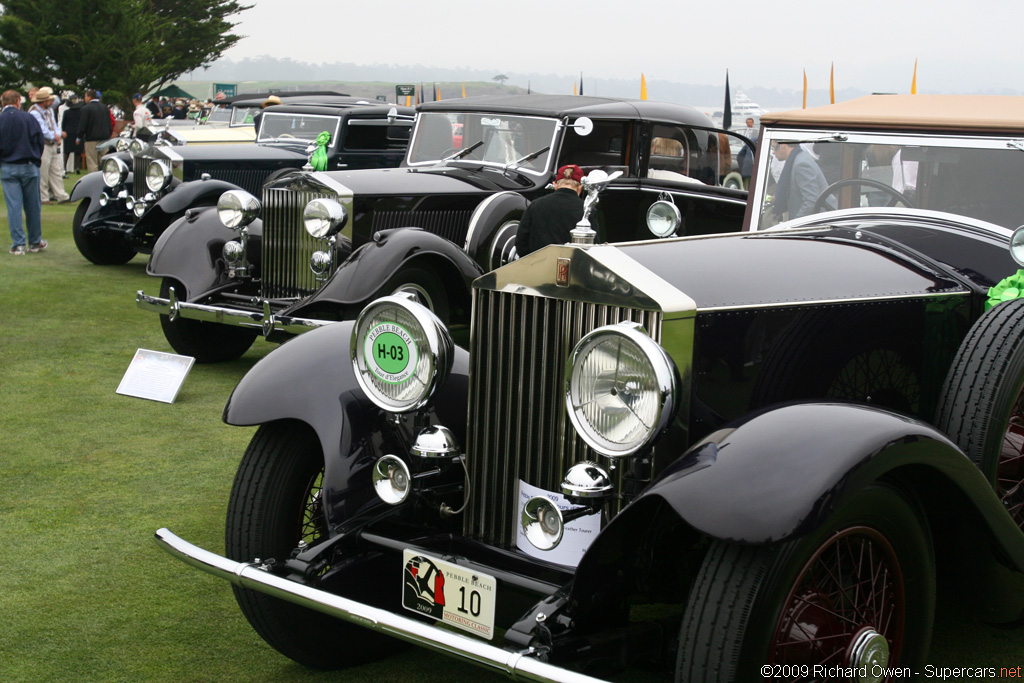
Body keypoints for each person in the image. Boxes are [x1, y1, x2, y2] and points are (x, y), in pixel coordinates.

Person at [0, 90, 46, 254]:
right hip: (28, 165)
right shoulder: (29, 118)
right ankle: (34, 242)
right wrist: (35, 159)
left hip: (7, 166)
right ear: (18, 101)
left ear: (3, 103)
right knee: (33, 205)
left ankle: (18, 244)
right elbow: (40, 141)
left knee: (14, 206)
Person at [514, 164, 585, 257]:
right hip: (572, 267)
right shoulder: (586, 209)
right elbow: (594, 246)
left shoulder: (536, 205)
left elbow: (521, 242)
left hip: (539, 265)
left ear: (555, 185)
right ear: (580, 187)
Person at [772, 142, 834, 220]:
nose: (773, 152)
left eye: (774, 148)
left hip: (820, 221)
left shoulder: (801, 164)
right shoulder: (798, 158)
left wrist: (793, 225)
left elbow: (811, 201)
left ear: (783, 146)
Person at [28, 87, 69, 204]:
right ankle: (43, 197)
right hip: (42, 145)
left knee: (56, 170)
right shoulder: (34, 113)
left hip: (52, 144)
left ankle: (61, 195)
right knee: (43, 172)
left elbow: (54, 125)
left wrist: (58, 135)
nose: (52, 102)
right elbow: (43, 130)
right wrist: (56, 136)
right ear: (44, 101)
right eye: (49, 100)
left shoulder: (49, 111)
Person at [77, 89, 111, 172]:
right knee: (104, 161)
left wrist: (79, 136)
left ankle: (94, 180)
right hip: (104, 138)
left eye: (85, 96)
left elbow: (83, 125)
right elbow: (109, 123)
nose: (85, 98)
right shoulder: (105, 107)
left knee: (92, 162)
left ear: (89, 97)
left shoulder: (86, 109)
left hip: (91, 139)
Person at [61, 93, 84, 174]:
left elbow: (63, 124)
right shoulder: (82, 112)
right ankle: (77, 167)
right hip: (78, 132)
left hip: (68, 132)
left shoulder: (66, 112)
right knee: (78, 151)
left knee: (67, 151)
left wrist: (64, 131)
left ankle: (64, 167)